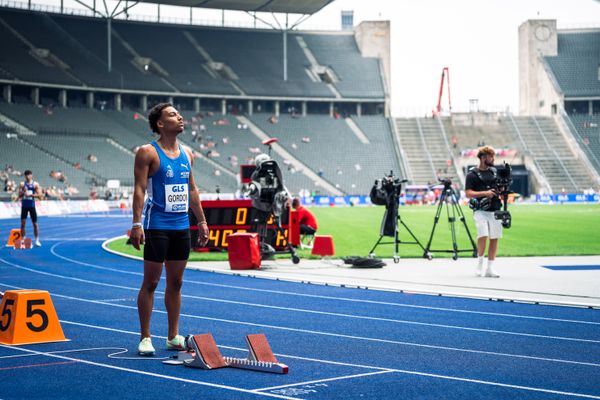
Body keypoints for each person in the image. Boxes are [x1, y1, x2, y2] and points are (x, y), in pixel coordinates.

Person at [130, 103, 209, 356]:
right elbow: (140, 189)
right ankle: (145, 337)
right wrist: (136, 223)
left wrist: (202, 221)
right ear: (161, 124)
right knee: (151, 282)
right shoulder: (147, 152)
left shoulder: (188, 153)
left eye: (179, 114)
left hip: (181, 225)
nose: (180, 117)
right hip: (157, 225)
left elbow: (192, 189)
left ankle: (173, 336)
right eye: (173, 115)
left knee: (176, 282)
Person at [465, 146, 503, 278]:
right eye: (490, 156)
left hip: (495, 208)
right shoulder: (472, 174)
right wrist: (485, 193)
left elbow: (500, 188)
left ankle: (490, 268)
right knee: (483, 234)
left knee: (494, 237)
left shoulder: (494, 172)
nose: (493, 159)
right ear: (483, 157)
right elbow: (468, 193)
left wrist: (502, 190)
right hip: (480, 210)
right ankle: (479, 265)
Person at [18, 170, 42, 246]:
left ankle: (37, 240)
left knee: (35, 224)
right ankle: (23, 239)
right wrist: (23, 192)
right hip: (24, 206)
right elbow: (19, 195)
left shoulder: (35, 184)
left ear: (31, 175)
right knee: (22, 224)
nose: (28, 176)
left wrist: (31, 195)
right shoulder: (22, 184)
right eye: (26, 175)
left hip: (32, 206)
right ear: (25, 176)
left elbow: (39, 195)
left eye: (29, 175)